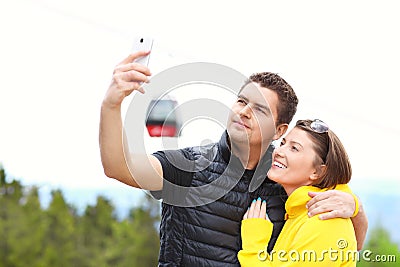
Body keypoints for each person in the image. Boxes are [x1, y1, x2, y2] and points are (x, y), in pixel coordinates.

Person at [99, 51, 368, 266]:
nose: (245, 112)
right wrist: (111, 105)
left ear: (279, 130)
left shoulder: (287, 183)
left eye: (260, 109)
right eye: (242, 101)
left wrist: (356, 210)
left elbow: (341, 250)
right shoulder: (189, 166)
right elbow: (118, 167)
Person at [238, 119, 359, 266]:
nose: (279, 151)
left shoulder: (323, 222)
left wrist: (254, 249)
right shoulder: (300, 213)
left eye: (294, 148)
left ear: (318, 171)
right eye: (283, 143)